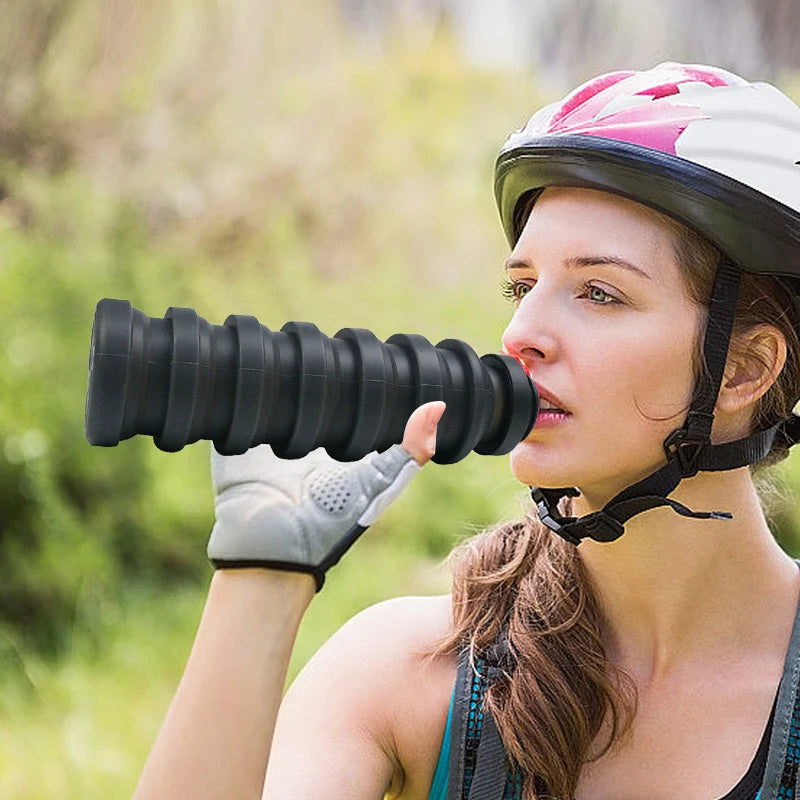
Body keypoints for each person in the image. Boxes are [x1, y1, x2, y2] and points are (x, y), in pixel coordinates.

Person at [132, 62, 800, 800]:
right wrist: (260, 573)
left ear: (743, 370)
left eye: (599, 292)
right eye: (522, 286)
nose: (522, 333)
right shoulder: (410, 675)